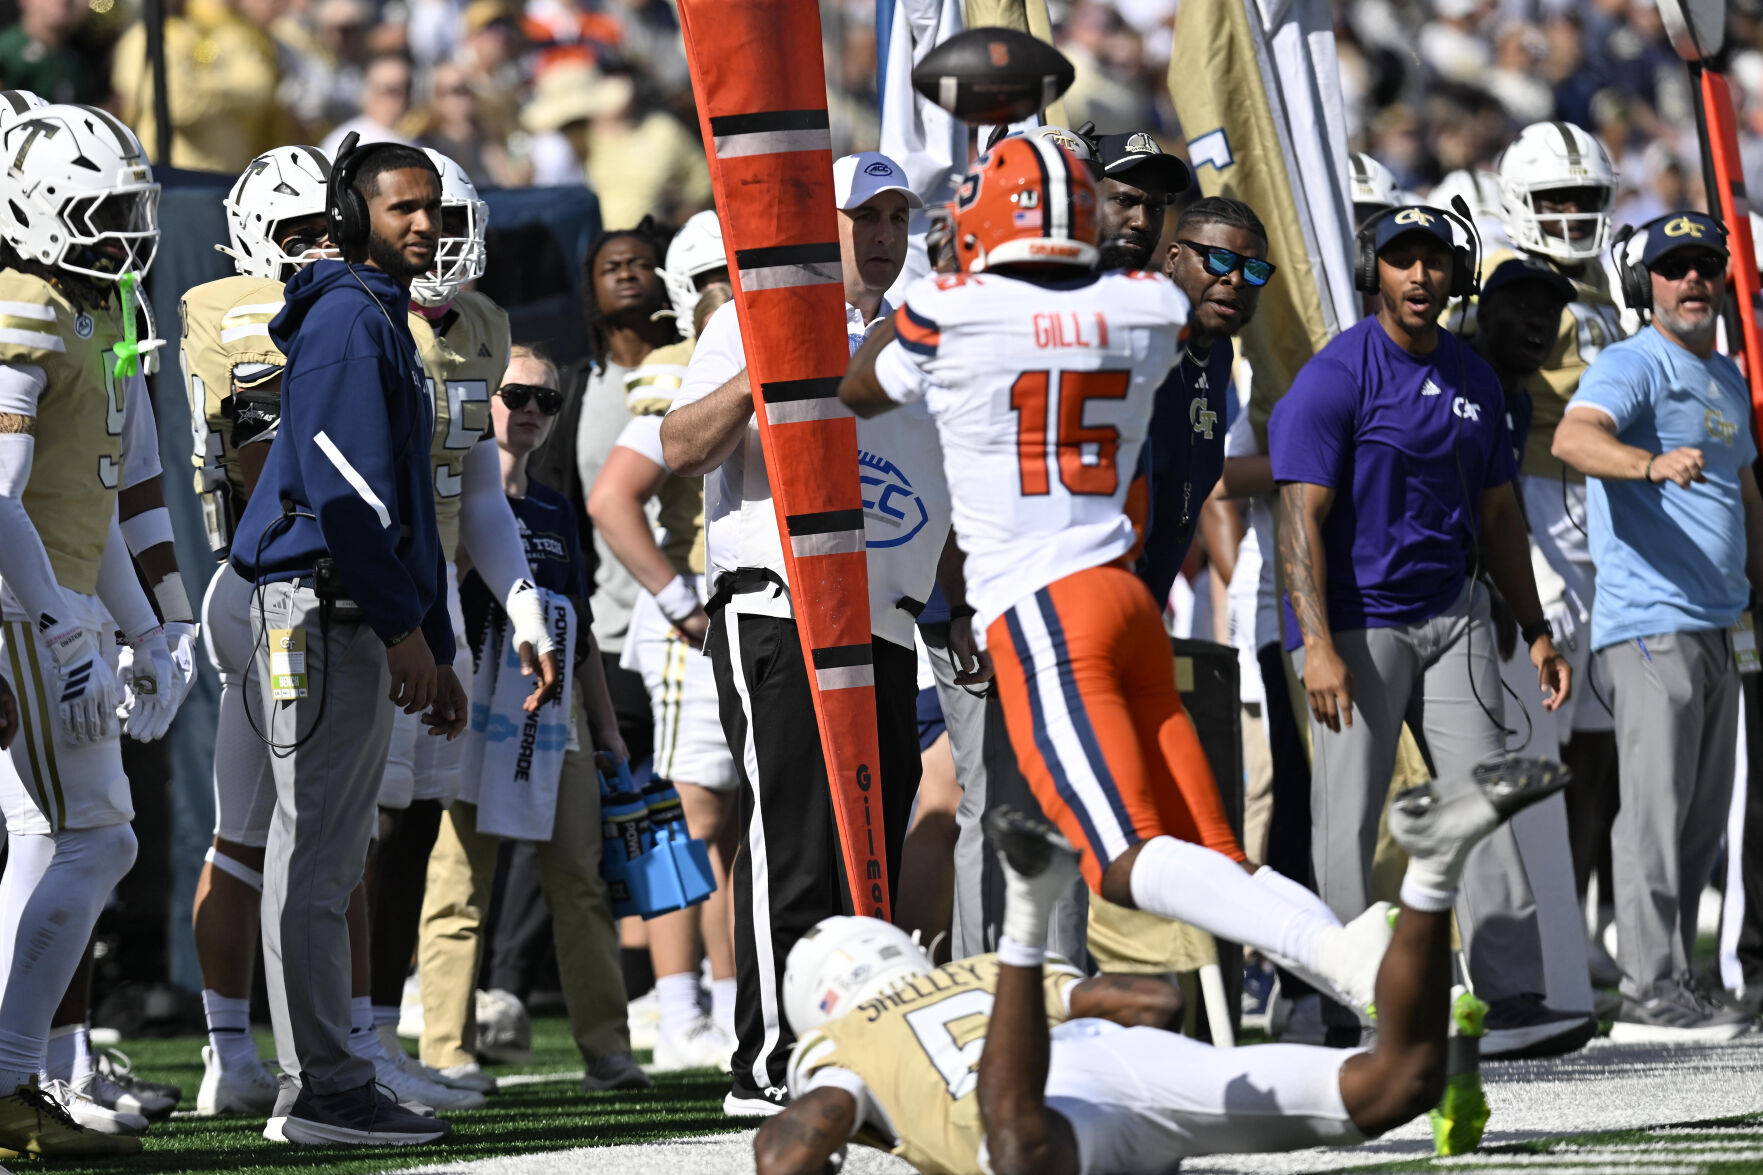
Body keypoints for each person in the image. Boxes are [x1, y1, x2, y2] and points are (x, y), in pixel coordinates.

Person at [841, 134, 1395, 1041]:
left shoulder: (962, 308)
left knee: (1112, 849)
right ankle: (1344, 953)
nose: (1137, 219)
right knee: (1194, 839)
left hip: (1042, 612)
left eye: (1149, 206)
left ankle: (1039, 1021)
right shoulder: (1145, 309)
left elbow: (860, 388)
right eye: (1120, 202)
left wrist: (945, 283)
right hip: (1123, 602)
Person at [757, 755, 1572, 1175]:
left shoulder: (839, 1040)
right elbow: (1148, 999)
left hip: (1039, 1120)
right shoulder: (963, 975)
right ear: (902, 952)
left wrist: (859, 1130)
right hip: (1115, 1063)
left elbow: (795, 1144)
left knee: (1013, 1153)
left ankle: (1029, 912)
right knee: (1398, 1081)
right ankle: (1429, 872)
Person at [660, 150, 949, 1116]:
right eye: (862, 216)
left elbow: (935, 492)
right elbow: (679, 447)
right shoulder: (750, 314)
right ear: (816, 228)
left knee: (870, 840)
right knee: (791, 834)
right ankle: (771, 1053)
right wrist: (768, 366)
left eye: (895, 218)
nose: (881, 236)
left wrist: (953, 605)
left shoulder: (921, 335)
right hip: (777, 604)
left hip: (889, 619)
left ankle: (850, 1042)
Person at [1270, 203, 1587, 1057]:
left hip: (1452, 615)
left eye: (1435, 262)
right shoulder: (1338, 375)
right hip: (1357, 616)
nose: (1419, 276)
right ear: (1376, 271)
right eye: (1403, 260)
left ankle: (1510, 992)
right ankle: (1342, 999)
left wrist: (1535, 624)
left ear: (1457, 276)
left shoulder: (1474, 379)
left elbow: (1499, 512)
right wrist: (1319, 644)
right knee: (1348, 813)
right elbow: (1297, 516)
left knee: (1483, 789)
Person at [229, 137, 463, 1147]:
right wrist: (408, 624)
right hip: (326, 605)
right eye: (402, 206)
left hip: (342, 605)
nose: (423, 224)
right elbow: (347, 492)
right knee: (317, 852)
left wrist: (432, 636)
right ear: (349, 211)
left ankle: (318, 1076)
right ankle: (324, 1086)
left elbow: (395, 494)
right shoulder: (345, 317)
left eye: (434, 210)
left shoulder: (366, 315)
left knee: (316, 848)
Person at [0, 102, 183, 1159]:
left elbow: (106, 492)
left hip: (55, 600)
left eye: (129, 205)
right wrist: (64, 625)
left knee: (47, 837)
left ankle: (20, 1081)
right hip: (24, 607)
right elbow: (1, 497)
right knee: (99, 836)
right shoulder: (21, 308)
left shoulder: (104, 305)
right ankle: (13, 1078)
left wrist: (151, 626)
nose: (123, 227)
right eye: (100, 208)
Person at [1551, 211, 1763, 1042]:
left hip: (1719, 620)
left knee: (1698, 817)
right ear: (1646, 284)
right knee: (1652, 811)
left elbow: (1743, 496)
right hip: (1650, 618)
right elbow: (1572, 436)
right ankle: (1645, 989)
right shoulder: (1630, 362)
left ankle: (1681, 980)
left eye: (1704, 265)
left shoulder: (1721, 376)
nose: (1692, 281)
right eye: (1674, 268)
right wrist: (1645, 464)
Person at [418, 343, 649, 1094]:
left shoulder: (554, 505)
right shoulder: (451, 495)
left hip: (559, 718)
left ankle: (607, 1051)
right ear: (484, 402)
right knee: (458, 881)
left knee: (580, 882)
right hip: (475, 706)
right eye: (515, 395)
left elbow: (575, 625)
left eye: (546, 402)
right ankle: (445, 1048)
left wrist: (606, 727)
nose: (529, 413)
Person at [183, 143, 335, 1119]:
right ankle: (332, 1053)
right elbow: (258, 450)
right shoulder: (233, 308)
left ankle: (232, 1055)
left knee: (244, 836)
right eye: (299, 232)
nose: (319, 246)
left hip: (269, 587)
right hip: (277, 585)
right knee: (324, 832)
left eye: (329, 226)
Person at [586, 208, 740, 1066]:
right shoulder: (680, 366)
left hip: (751, 613)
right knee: (690, 819)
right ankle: (680, 1005)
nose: (731, 294)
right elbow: (614, 498)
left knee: (742, 822)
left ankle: (731, 1000)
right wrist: (682, 599)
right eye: (721, 280)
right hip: (700, 617)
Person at [1485, 123, 1627, 946]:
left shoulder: (1606, 291)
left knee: (1596, 747)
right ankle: (1526, 933)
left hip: (1609, 521)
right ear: (1519, 204)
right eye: (1555, 199)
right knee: (1541, 738)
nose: (1572, 214)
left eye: (1584, 198)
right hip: (1539, 504)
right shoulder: (1504, 287)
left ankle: (1568, 931)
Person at [1077, 124, 1190, 271]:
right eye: (1123, 201)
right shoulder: (1041, 288)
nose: (1142, 222)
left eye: (1155, 208)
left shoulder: (1164, 292)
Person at [319, 51, 417, 157]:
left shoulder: (420, 139)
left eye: (407, 88)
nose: (403, 98)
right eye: (391, 90)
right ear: (368, 93)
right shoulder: (344, 142)